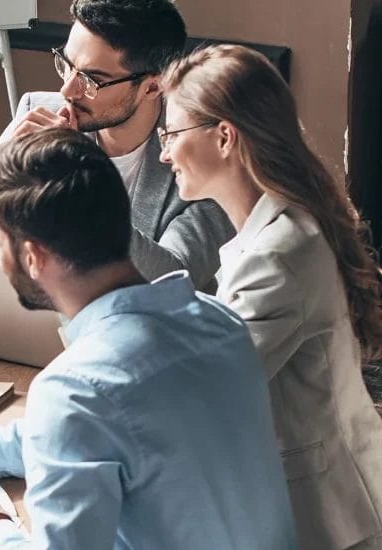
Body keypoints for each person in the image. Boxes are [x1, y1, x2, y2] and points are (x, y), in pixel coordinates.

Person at [0, 129, 295, 549]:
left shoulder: (74, 392)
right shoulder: (222, 325)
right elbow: (98, 427)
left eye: (0, 243)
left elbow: (84, 416)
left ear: (33, 258)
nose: (1, 260)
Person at [159, 44, 382, 550]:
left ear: (223, 137)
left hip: (328, 524)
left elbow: (204, 392)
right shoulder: (274, 232)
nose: (164, 153)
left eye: (170, 134)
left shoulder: (280, 254)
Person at [0, 0, 232, 291]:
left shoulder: (202, 153)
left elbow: (175, 281)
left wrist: (75, 188)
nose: (67, 90)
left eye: (91, 79)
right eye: (66, 64)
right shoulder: (36, 112)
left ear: (152, 86)